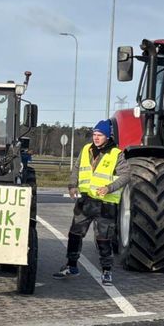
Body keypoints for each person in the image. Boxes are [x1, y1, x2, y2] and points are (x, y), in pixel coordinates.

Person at [54, 119, 131, 286]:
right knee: (74, 235)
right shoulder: (86, 149)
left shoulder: (117, 154)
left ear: (107, 136)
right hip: (85, 201)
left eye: (100, 135)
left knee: (104, 239)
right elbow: (76, 169)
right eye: (94, 134)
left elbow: (126, 176)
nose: (96, 138)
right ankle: (71, 266)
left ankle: (107, 271)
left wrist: (109, 188)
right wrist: (72, 186)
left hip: (105, 204)